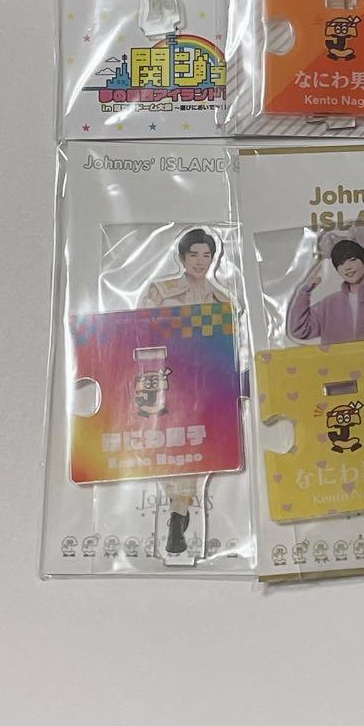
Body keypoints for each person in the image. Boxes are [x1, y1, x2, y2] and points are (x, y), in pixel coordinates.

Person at [139, 228, 231, 556]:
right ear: (182, 257)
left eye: (206, 255)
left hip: (206, 385)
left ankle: (178, 513)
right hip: (166, 380)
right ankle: (178, 511)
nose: (200, 261)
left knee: (195, 446)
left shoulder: (222, 300)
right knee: (170, 443)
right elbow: (139, 331)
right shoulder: (160, 292)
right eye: (194, 254)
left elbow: (229, 347)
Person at [288, 239, 364, 346]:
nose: (347, 267)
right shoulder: (328, 304)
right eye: (341, 263)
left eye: (352, 259)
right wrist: (304, 291)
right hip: (336, 359)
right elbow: (299, 330)